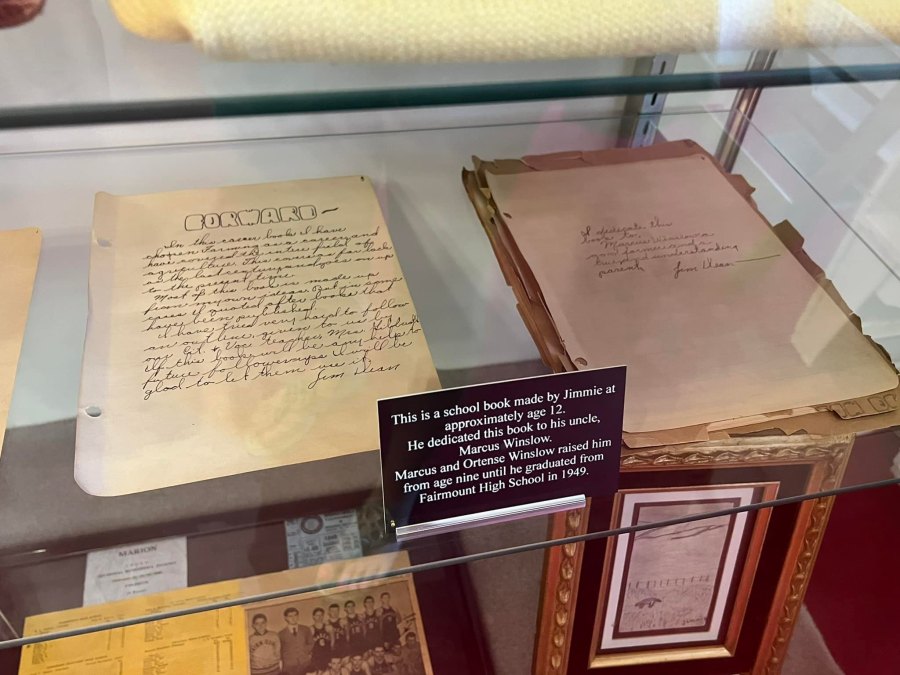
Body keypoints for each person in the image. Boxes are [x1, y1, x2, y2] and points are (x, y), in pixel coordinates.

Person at [279, 607, 313, 675]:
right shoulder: (281, 634)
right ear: (285, 618)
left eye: (295, 615)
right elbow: (280, 650)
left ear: (298, 616)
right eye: (290, 616)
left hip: (304, 663)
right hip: (289, 666)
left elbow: (311, 643)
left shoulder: (305, 629)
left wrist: (305, 652)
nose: (293, 618)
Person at [310, 607, 331, 674]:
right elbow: (309, 644)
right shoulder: (311, 629)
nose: (319, 617)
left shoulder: (328, 627)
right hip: (317, 656)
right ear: (313, 616)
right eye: (317, 615)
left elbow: (333, 642)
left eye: (321, 615)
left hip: (327, 655)